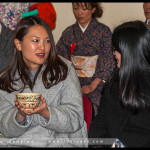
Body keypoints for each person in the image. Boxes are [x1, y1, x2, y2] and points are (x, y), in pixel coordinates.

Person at [0, 15, 88, 147]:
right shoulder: (5, 79)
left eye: (47, 41)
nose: (43, 47)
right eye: (35, 40)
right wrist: (20, 116)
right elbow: (4, 128)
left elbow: (75, 119)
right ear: (19, 44)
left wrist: (46, 112)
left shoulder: (64, 70)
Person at [88, 20, 150, 147]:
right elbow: (100, 121)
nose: (113, 53)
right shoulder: (115, 80)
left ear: (130, 51)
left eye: (116, 49)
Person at [56, 2, 115, 116]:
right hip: (72, 83)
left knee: (93, 102)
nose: (79, 13)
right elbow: (60, 58)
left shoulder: (103, 31)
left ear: (93, 9)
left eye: (84, 9)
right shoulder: (68, 32)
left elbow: (107, 59)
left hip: (97, 84)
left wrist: (92, 85)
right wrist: (72, 85)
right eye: (76, 8)